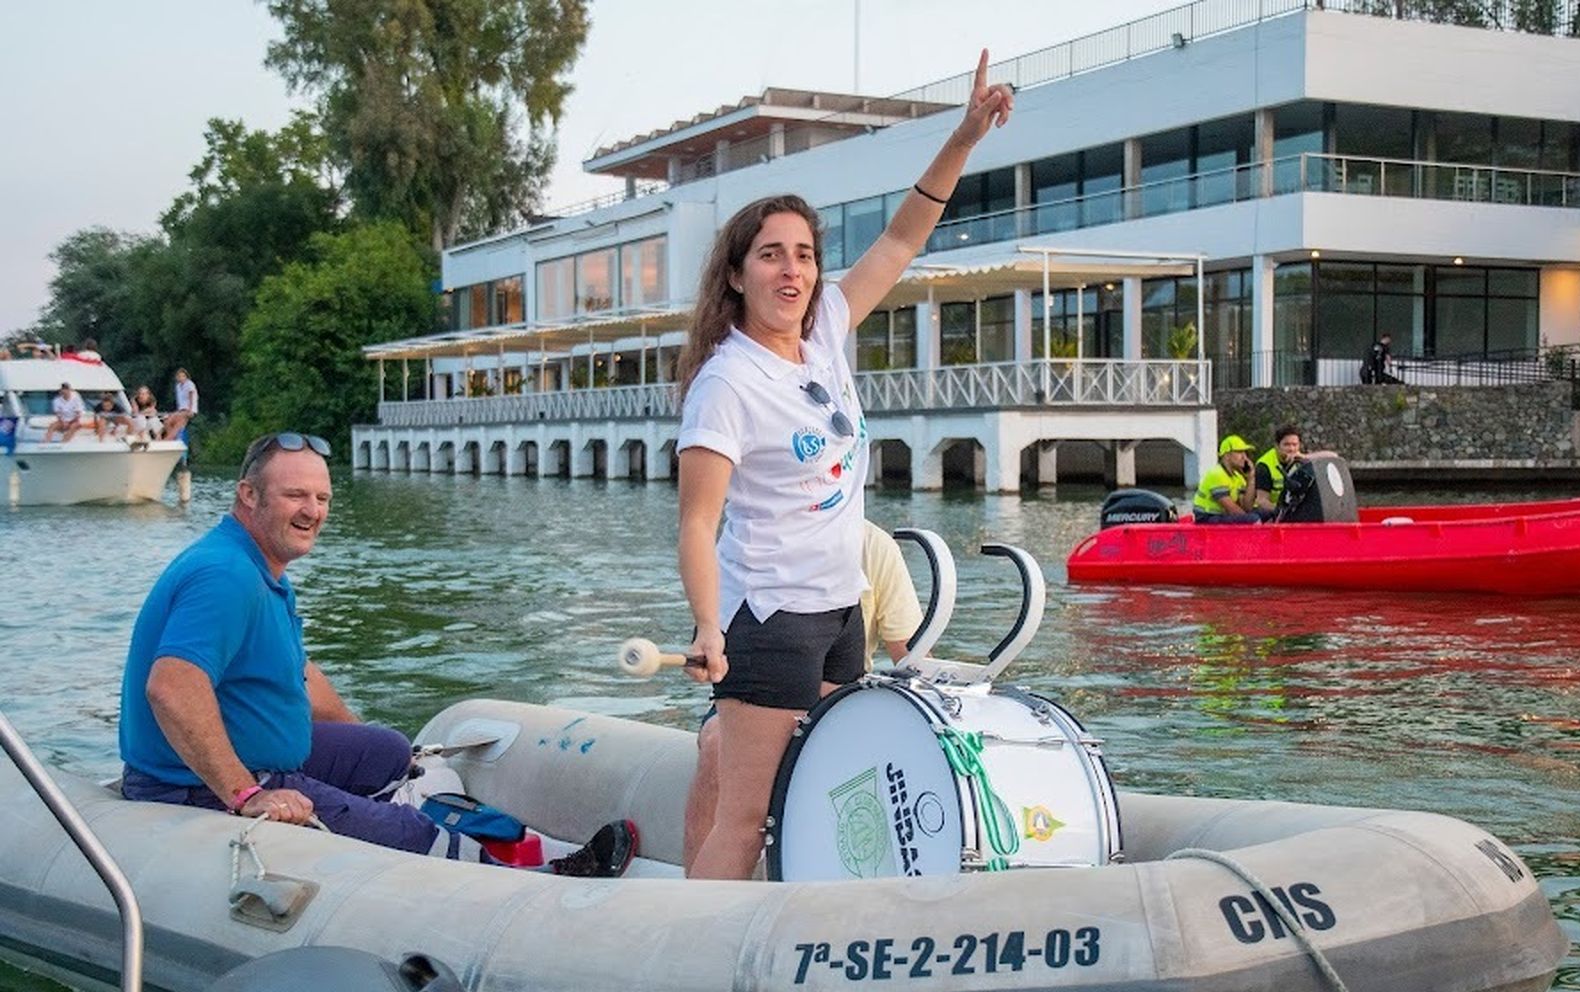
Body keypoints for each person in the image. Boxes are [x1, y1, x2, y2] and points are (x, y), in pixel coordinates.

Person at [674, 50, 1012, 881]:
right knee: (746, 821)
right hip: (766, 617)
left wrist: (965, 138)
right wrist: (709, 626)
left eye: (803, 254)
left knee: (826, 790)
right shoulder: (725, 383)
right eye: (771, 255)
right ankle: (688, 961)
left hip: (837, 613)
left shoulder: (826, 327)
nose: (792, 270)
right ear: (736, 272)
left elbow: (903, 234)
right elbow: (696, 521)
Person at [118, 431, 637, 877]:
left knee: (384, 751)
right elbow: (172, 687)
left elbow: (298, 676)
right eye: (296, 495)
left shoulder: (258, 565)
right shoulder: (225, 575)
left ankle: (363, 823)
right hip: (194, 784)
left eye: (322, 498)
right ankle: (532, 877)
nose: (313, 511)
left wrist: (357, 734)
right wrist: (246, 794)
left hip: (261, 753)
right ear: (248, 495)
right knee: (407, 830)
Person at [681, 520, 924, 871]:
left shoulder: (876, 547)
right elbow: (717, 635)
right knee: (718, 741)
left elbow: (911, 658)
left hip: (838, 700)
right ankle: (690, 885)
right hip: (758, 693)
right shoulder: (751, 540)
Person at [1193, 435, 1262, 524]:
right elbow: (1232, 509)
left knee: (1263, 514)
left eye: (1245, 453)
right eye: (1239, 452)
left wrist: (1251, 478)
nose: (1244, 457)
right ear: (1227, 455)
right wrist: (1250, 520)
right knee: (1252, 518)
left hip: (1221, 515)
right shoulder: (1217, 474)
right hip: (1207, 517)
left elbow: (1247, 507)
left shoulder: (1237, 476)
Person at [1249, 424, 1304, 515]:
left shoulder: (1301, 459)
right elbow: (1261, 500)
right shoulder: (1264, 465)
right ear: (1277, 446)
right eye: (1286, 445)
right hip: (1270, 511)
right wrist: (1283, 511)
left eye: (1295, 445)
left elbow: (1331, 455)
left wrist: (1305, 457)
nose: (1291, 449)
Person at [164, 368, 198, 440]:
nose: (181, 378)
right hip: (181, 410)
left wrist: (190, 410)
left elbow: (191, 397)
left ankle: (168, 439)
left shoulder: (189, 384)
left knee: (178, 425)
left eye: (183, 376)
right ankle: (172, 438)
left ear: (186, 377)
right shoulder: (178, 386)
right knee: (167, 421)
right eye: (179, 376)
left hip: (188, 409)